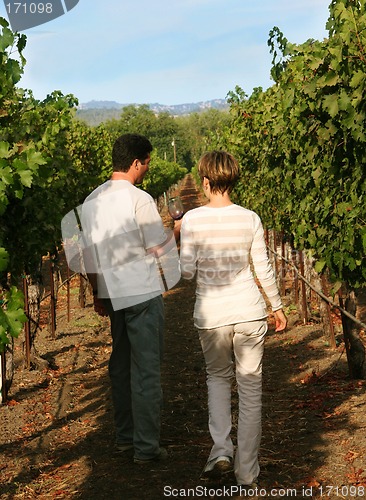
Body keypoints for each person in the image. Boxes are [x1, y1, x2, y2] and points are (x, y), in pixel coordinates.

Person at [179, 150, 287, 487]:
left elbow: (185, 273)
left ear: (206, 181)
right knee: (251, 388)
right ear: (233, 180)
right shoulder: (250, 218)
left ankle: (221, 451)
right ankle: (246, 473)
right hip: (250, 311)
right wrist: (277, 306)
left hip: (212, 314)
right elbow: (263, 267)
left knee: (218, 378)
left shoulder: (193, 220)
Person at [80, 133, 180, 464]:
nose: (148, 169)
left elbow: (88, 254)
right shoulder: (140, 199)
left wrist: (97, 293)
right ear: (136, 163)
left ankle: (125, 439)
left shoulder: (91, 200)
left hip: (111, 291)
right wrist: (176, 233)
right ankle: (147, 448)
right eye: (147, 163)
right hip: (140, 291)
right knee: (146, 370)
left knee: (120, 366)